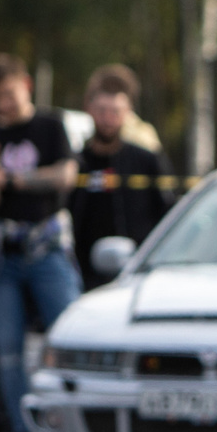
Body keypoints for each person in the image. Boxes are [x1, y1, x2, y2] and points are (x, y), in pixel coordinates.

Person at [0, 55, 80, 432]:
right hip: (4, 254)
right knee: (7, 349)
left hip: (47, 246)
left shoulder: (50, 125)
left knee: (68, 333)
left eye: (10, 92)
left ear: (26, 85)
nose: (5, 102)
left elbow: (65, 176)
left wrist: (17, 178)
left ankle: (72, 423)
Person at [70, 66, 176, 288]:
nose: (108, 119)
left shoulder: (148, 160)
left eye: (115, 111)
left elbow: (168, 208)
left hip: (140, 273)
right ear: (88, 109)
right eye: (102, 110)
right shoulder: (76, 163)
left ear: (128, 112)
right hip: (86, 275)